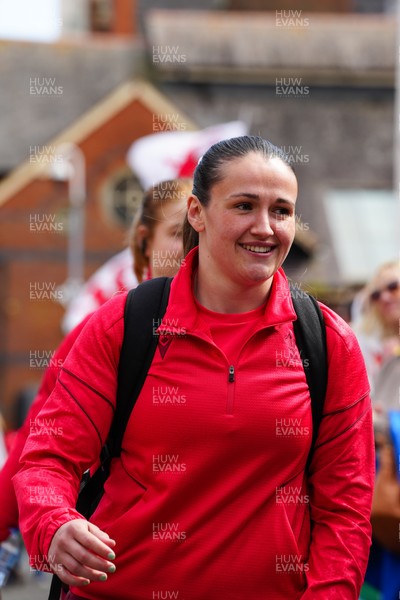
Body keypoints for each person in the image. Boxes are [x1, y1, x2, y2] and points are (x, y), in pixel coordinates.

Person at [14, 136, 374, 599]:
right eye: (243, 206)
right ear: (196, 213)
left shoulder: (326, 341)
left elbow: (345, 508)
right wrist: (54, 524)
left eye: (281, 211)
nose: (264, 227)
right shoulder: (123, 325)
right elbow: (47, 458)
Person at [0, 178, 191, 547]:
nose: (191, 246)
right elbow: (39, 448)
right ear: (144, 241)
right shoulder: (107, 329)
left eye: (200, 232)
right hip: (116, 557)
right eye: (177, 231)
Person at [352, 261, 400, 600]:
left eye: (393, 286)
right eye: (377, 293)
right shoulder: (373, 350)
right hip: (386, 483)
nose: (385, 297)